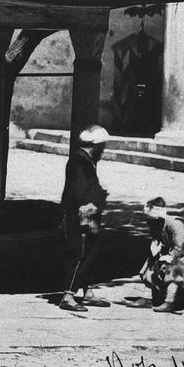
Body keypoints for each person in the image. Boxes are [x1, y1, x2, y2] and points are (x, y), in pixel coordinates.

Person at [60, 123, 110, 311]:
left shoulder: (88, 160)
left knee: (92, 252)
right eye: (102, 146)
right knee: (78, 253)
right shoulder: (80, 161)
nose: (103, 150)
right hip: (80, 215)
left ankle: (87, 290)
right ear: (96, 145)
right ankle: (68, 295)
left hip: (90, 214)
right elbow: (80, 192)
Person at [137, 197, 184, 313]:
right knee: (151, 262)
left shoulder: (174, 223)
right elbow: (158, 243)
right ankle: (147, 297)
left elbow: (179, 248)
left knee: (175, 266)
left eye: (151, 219)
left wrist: (168, 257)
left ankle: (169, 301)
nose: (149, 222)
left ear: (159, 218)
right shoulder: (157, 226)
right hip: (178, 252)